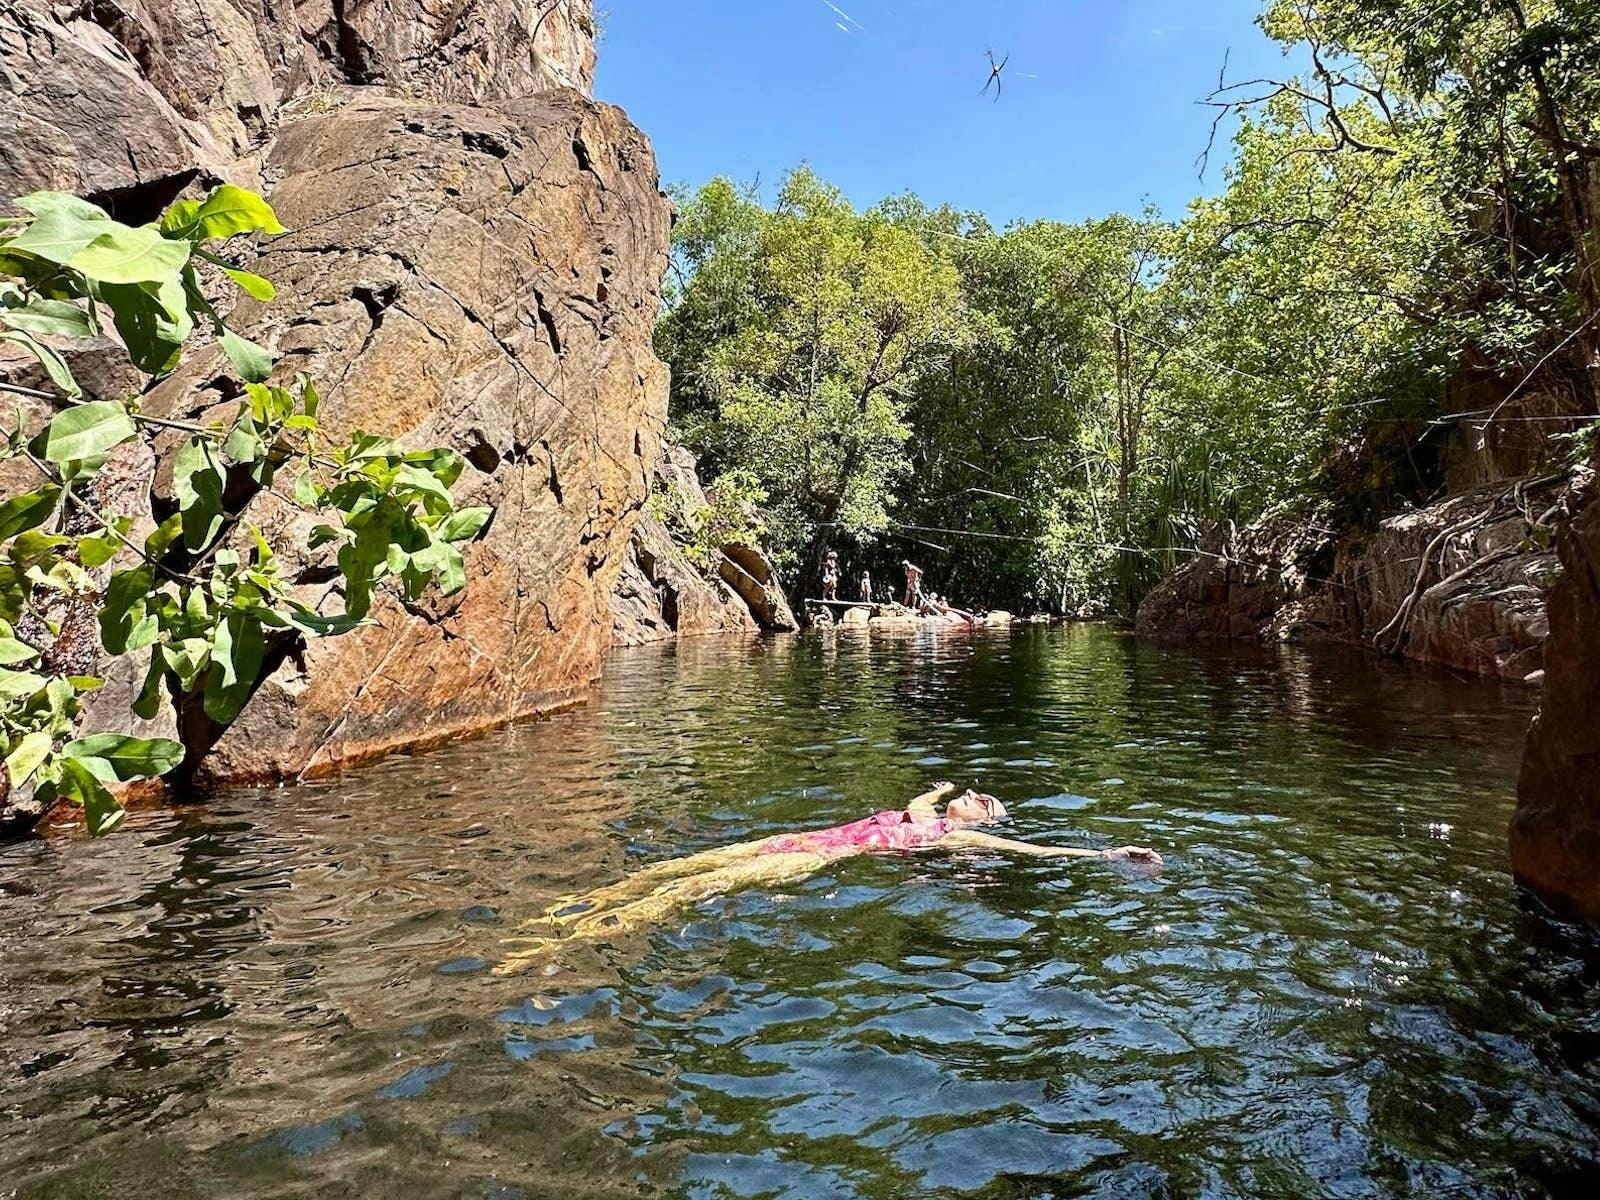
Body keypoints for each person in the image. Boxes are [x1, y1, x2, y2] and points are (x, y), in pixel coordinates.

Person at [497, 783, 1160, 974]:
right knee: (679, 866)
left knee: (683, 893)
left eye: (985, 800)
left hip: (821, 859)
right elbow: (926, 799)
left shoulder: (963, 837)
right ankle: (568, 911)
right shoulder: (923, 813)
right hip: (801, 837)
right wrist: (945, 785)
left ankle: (553, 944)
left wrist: (1105, 856)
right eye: (976, 794)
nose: (977, 798)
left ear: (985, 822)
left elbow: (1038, 852)